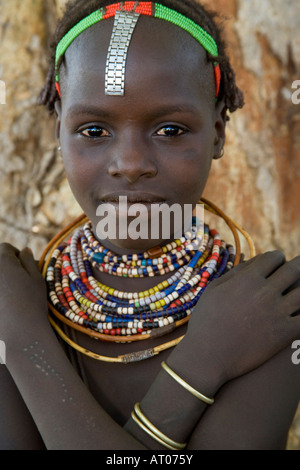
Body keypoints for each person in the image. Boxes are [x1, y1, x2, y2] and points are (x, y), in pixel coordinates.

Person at [0, 0, 299, 451]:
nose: (131, 164)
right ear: (58, 130)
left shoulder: (265, 312)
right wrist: (202, 367)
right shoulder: (19, 299)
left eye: (171, 130)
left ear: (218, 131)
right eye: (95, 131)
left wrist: (27, 345)